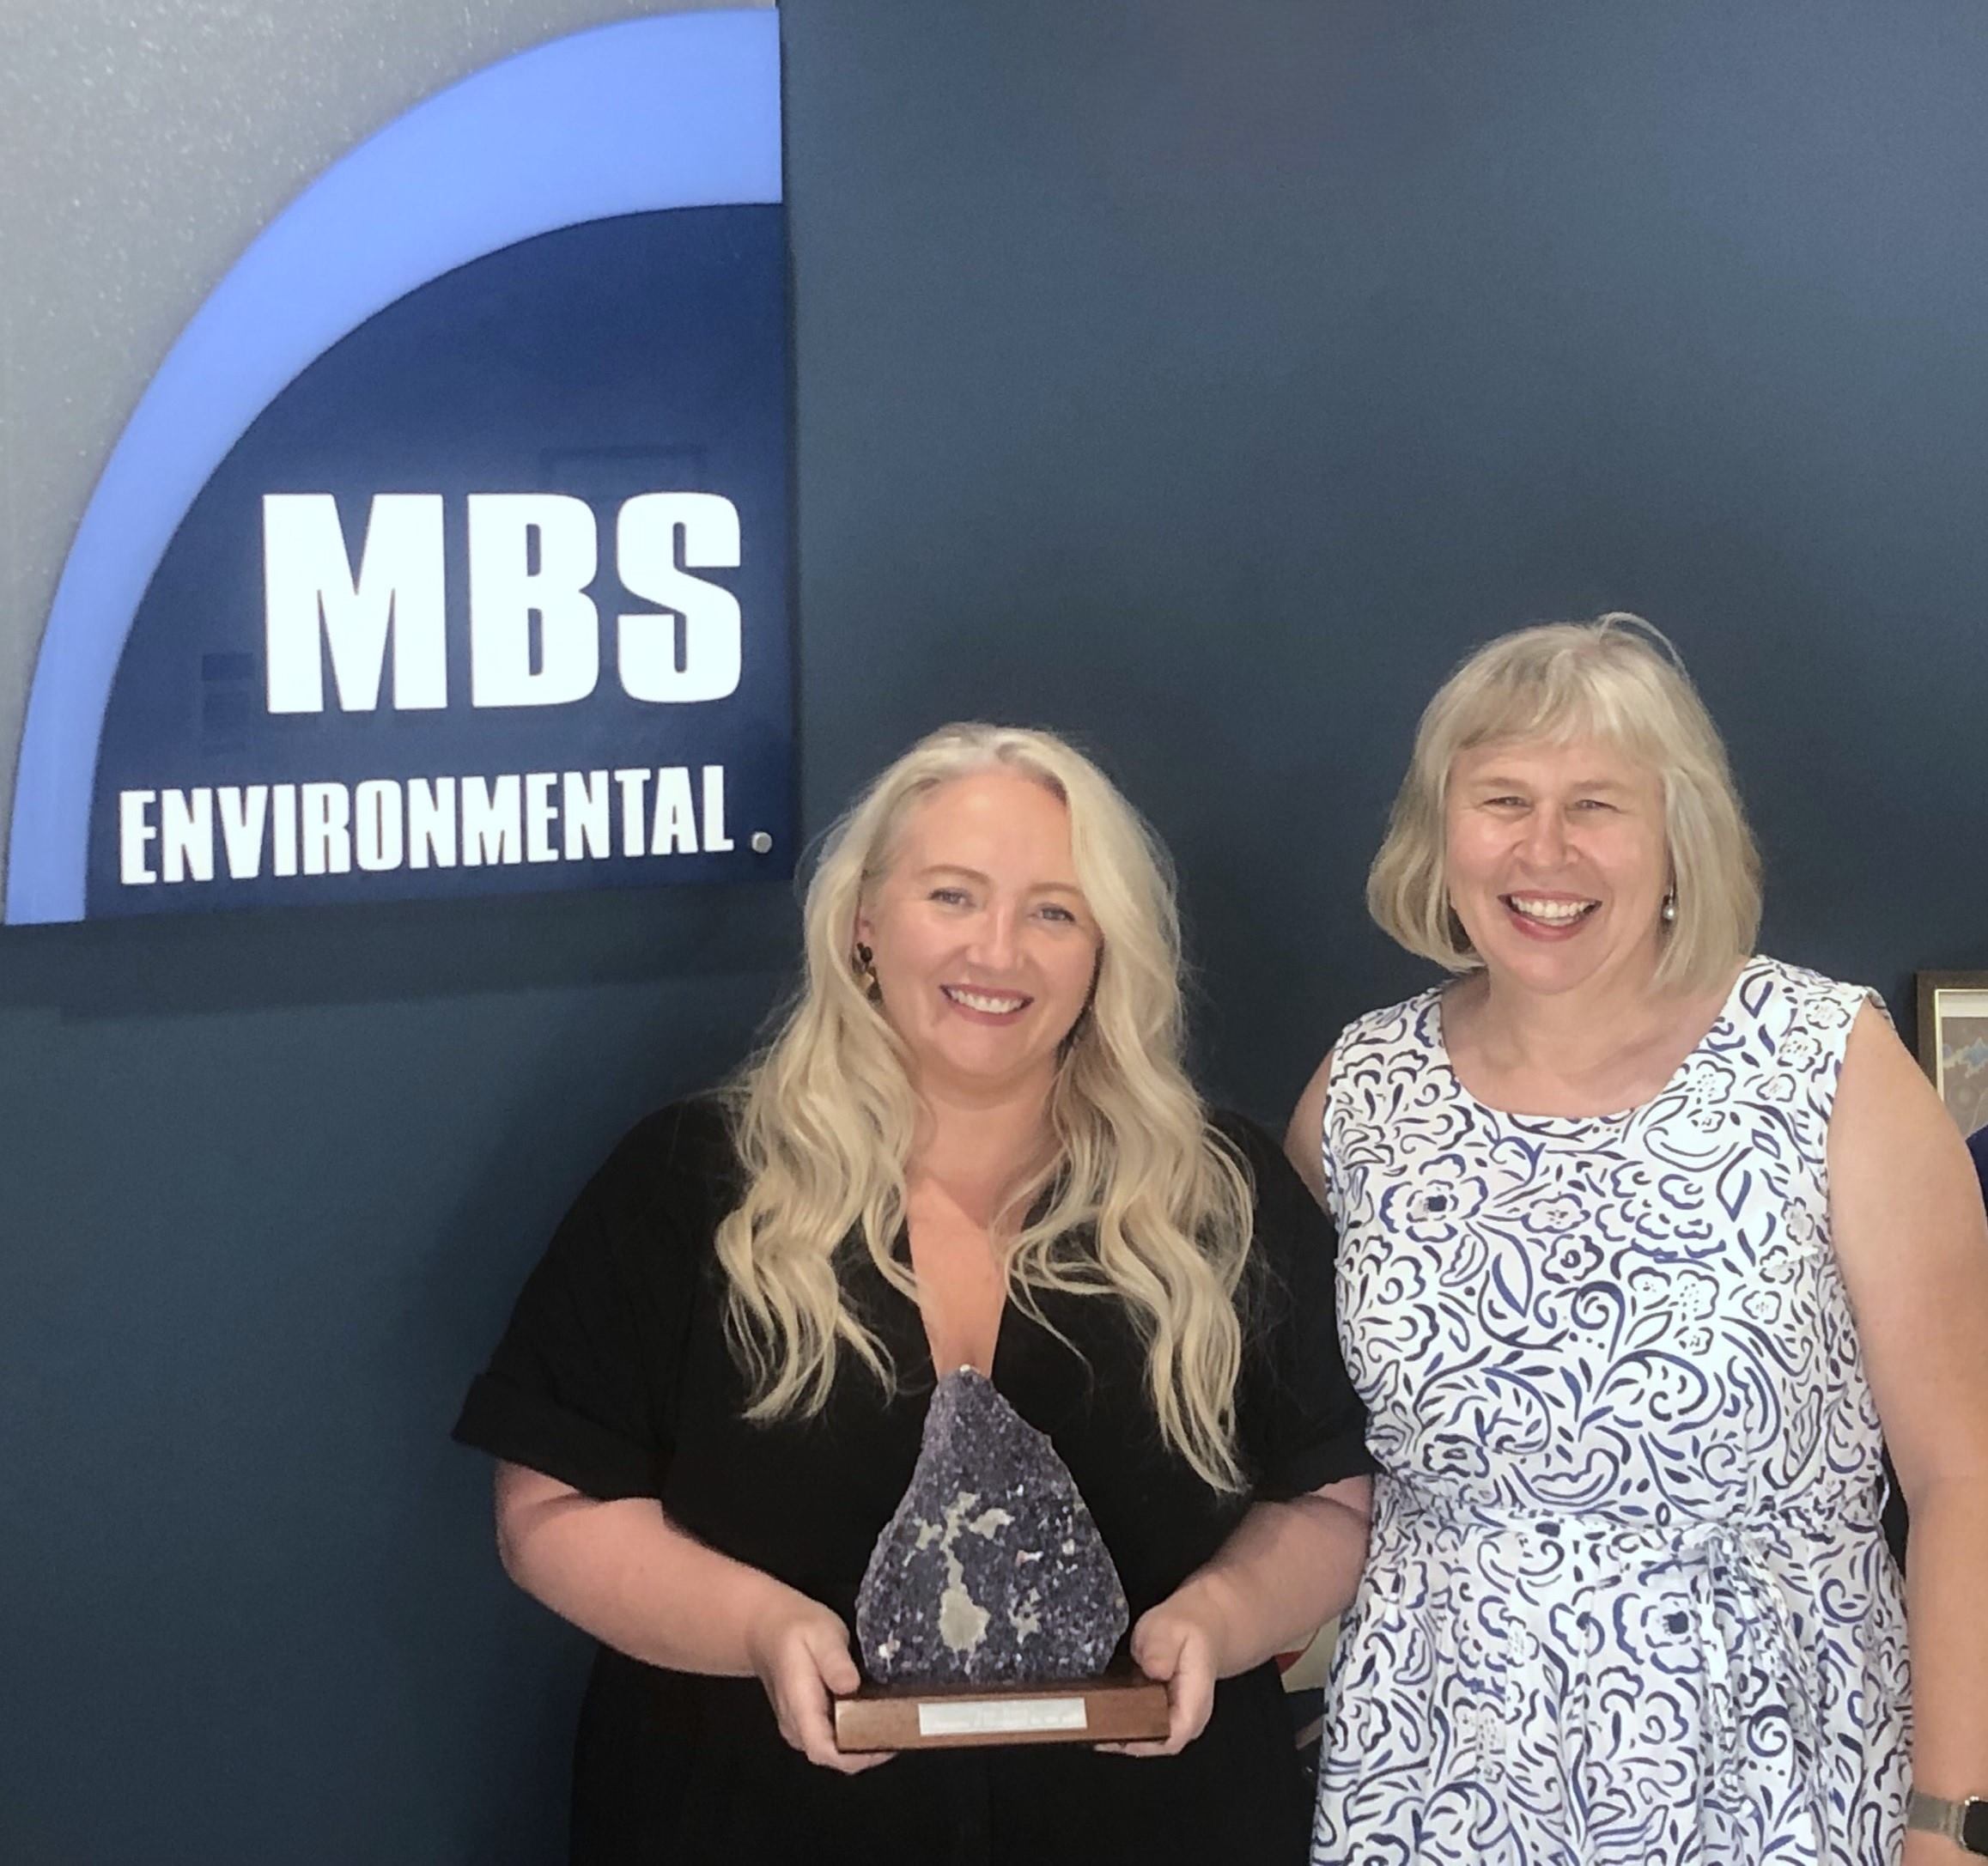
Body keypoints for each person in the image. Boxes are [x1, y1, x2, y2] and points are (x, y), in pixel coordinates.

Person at [454, 723, 1374, 1864]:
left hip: (1155, 1826)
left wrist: (1227, 1618)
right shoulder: (688, 1183)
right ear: (864, 923)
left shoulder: (1222, 1198)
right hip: (743, 1817)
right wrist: (758, 1628)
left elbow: (1331, 1502)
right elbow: (549, 1510)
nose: (999, 949)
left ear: (1105, 949)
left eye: (1054, 909)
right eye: (952, 894)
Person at [1290, 617, 1988, 1865]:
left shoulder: (1827, 1064)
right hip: (1438, 1771)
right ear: (1440, 833)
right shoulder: (1361, 1090)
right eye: (1501, 798)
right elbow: (1287, 1448)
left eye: (1597, 804)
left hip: (1777, 1774)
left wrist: (1952, 1820)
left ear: (1678, 838)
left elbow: (1963, 1480)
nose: (1543, 849)